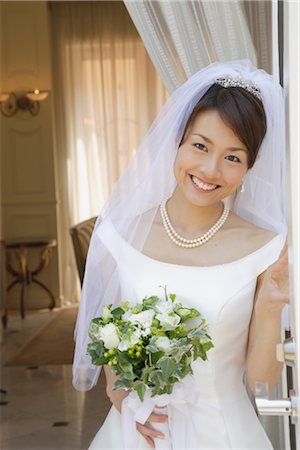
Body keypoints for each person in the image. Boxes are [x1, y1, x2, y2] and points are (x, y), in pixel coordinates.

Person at [73, 60, 289, 449]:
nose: (210, 169)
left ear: (250, 166)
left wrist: (272, 307)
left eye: (233, 157)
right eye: (200, 146)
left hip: (225, 435)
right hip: (138, 434)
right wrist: (121, 397)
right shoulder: (119, 236)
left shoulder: (267, 247)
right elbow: (109, 345)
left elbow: (262, 379)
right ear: (177, 139)